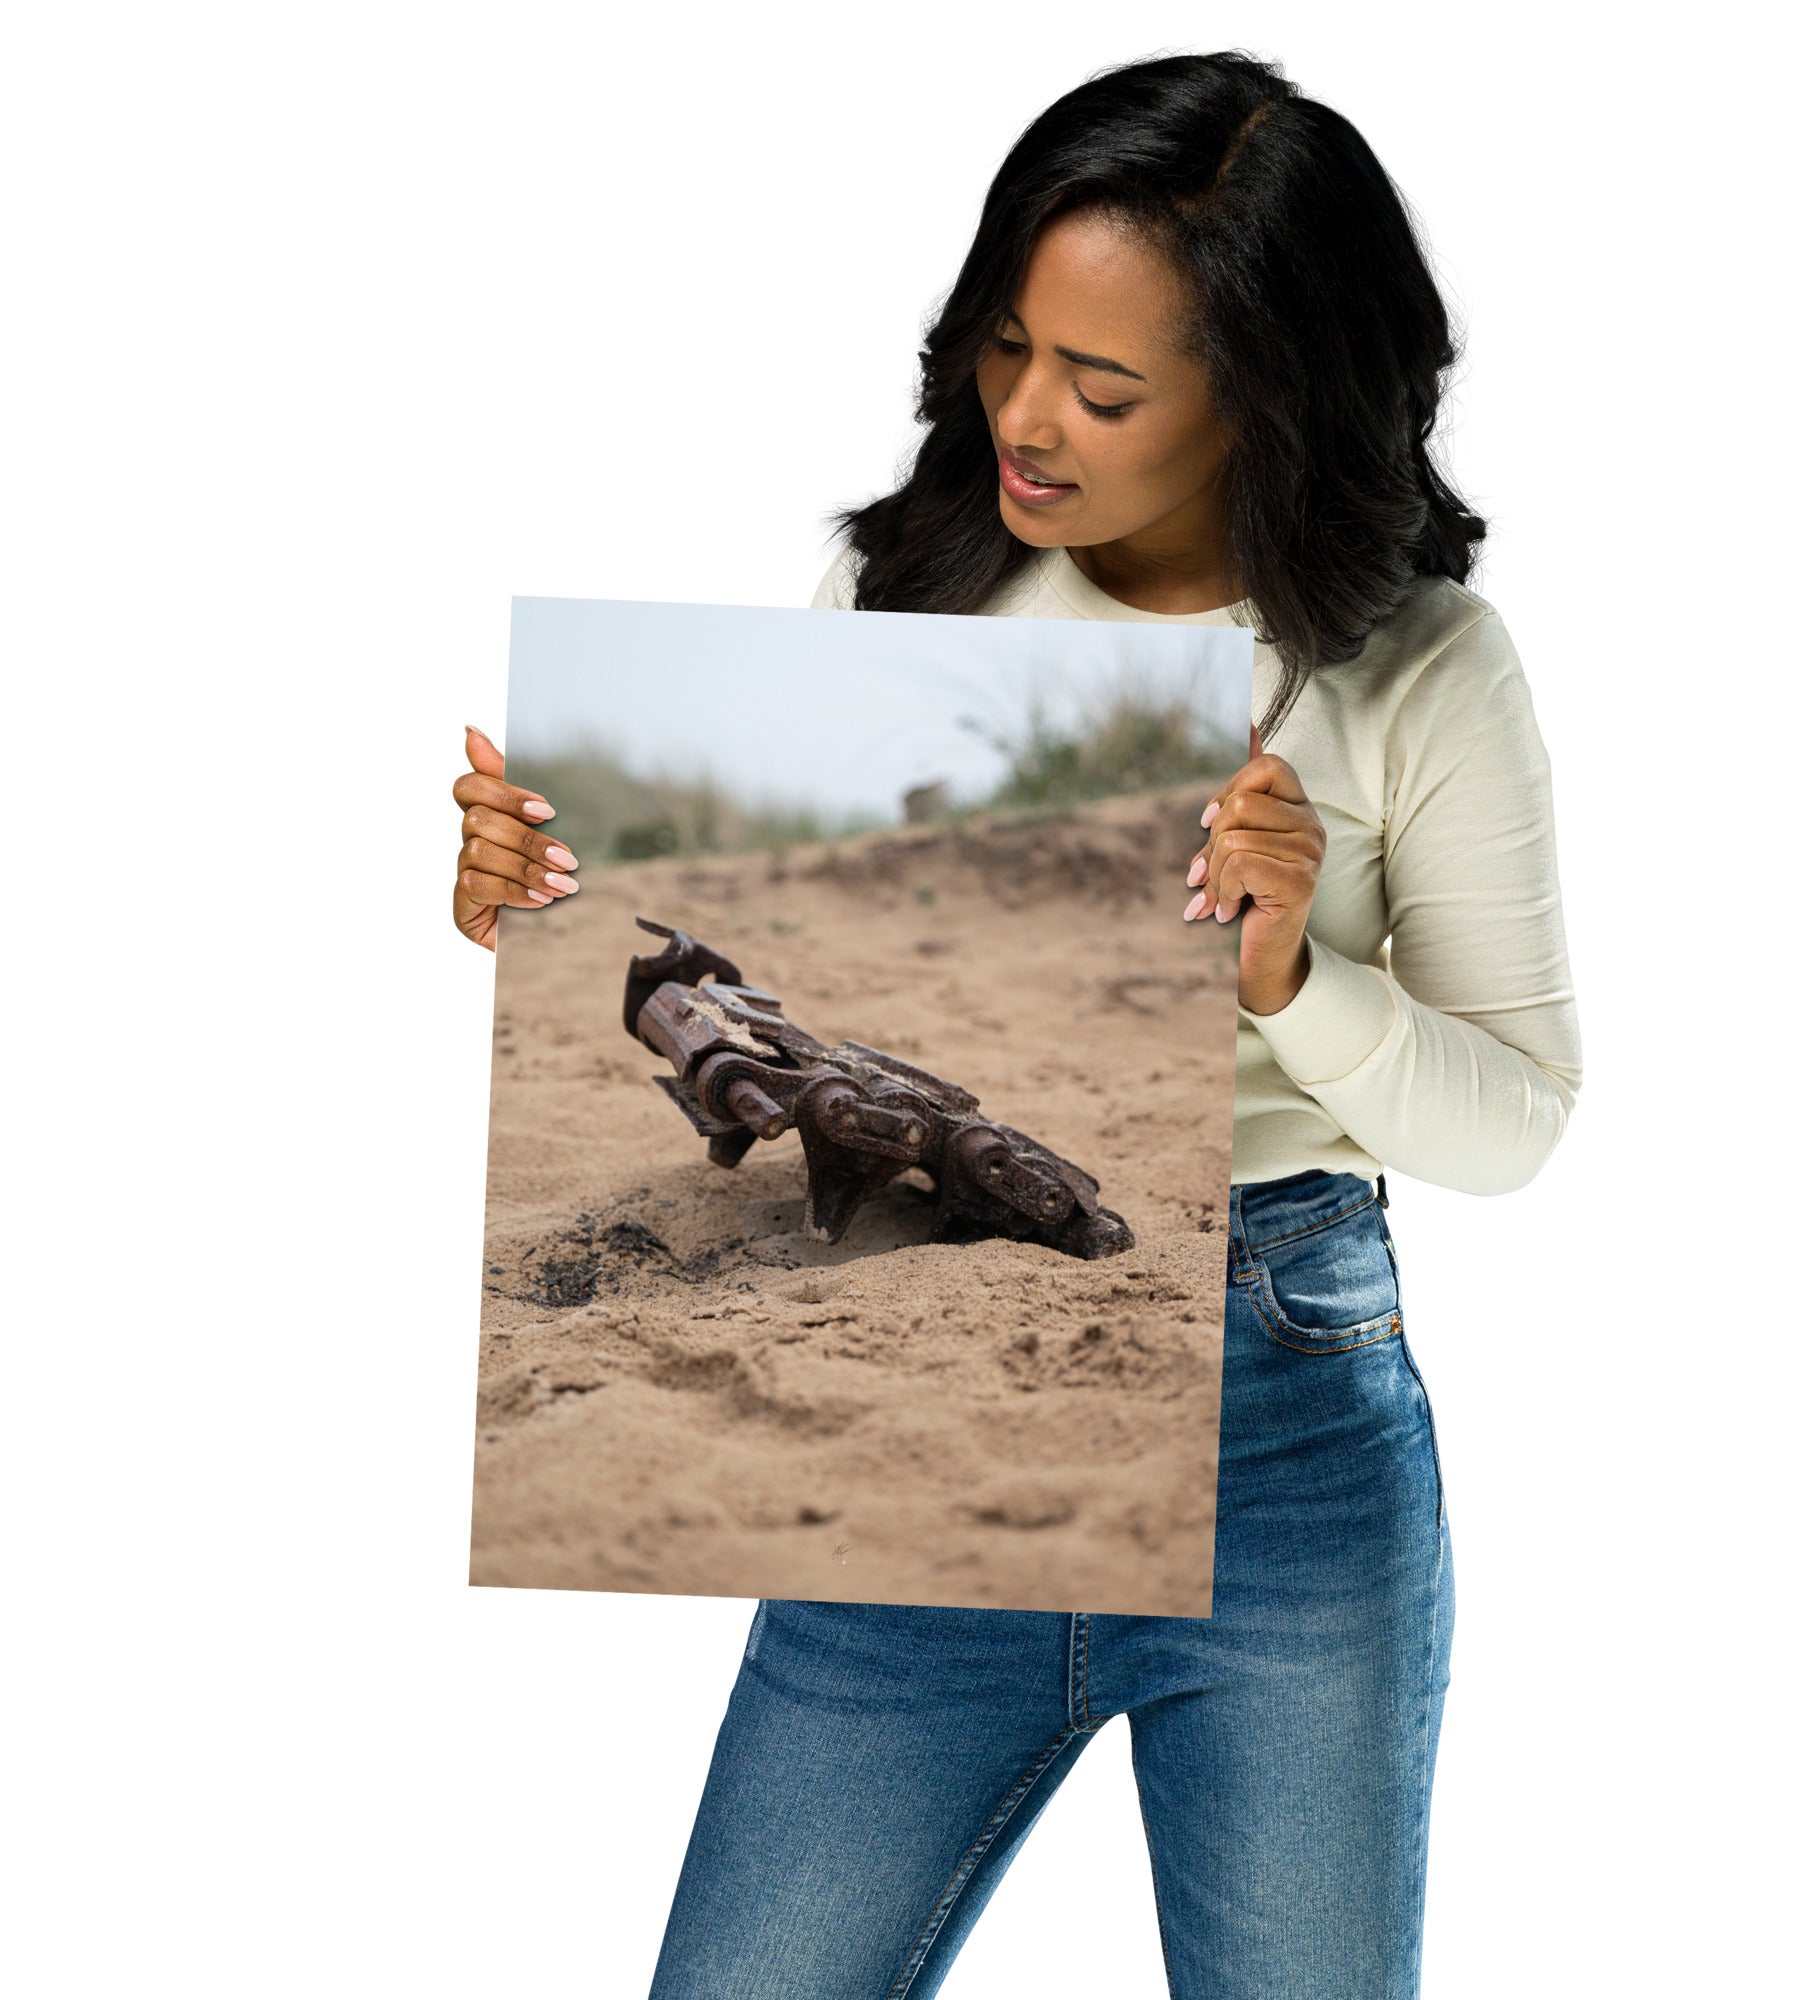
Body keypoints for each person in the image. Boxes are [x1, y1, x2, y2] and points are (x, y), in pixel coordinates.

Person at [451, 50, 1582, 1998]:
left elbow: (1513, 1124)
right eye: (1002, 347)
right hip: (911, 1481)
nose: (1025, 418)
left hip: (1289, 1441)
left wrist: (1293, 978)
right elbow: (742, 943)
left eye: (1106, 384)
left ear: (1267, 398)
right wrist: (525, 904)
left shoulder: (1414, 667)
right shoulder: (903, 589)